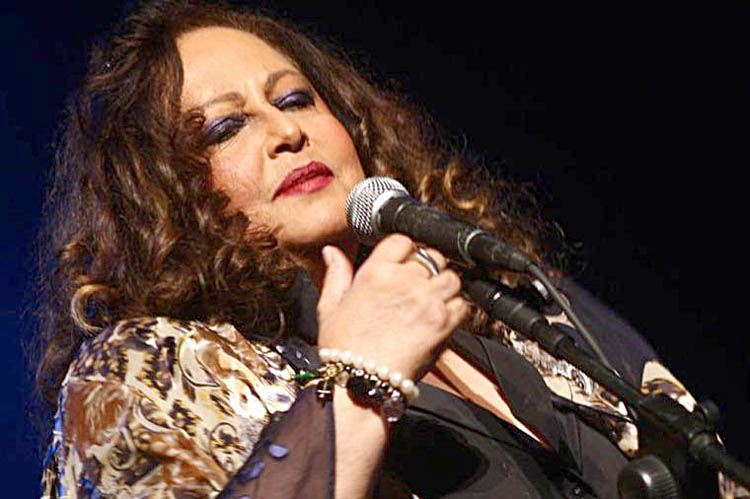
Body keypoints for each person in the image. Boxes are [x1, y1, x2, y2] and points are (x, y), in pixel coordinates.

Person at [34, 1, 744, 498]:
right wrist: (359, 379)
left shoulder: (510, 310)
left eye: (295, 99)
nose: (287, 132)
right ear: (159, 193)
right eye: (225, 128)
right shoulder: (144, 369)